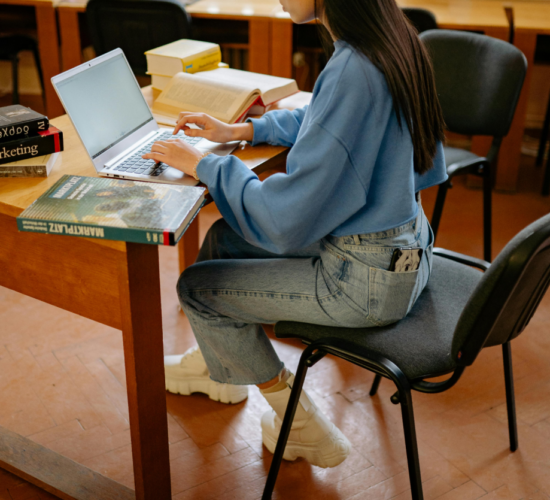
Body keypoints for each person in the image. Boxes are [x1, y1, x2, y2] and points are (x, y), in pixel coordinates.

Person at [142, 0, 446, 469]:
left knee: (196, 291)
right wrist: (244, 128)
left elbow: (284, 220)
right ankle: (219, 367)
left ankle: (303, 428)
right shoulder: (390, 40)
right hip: (406, 248)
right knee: (225, 240)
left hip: (364, 281)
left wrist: (205, 164)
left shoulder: (354, 67)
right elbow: (325, 121)